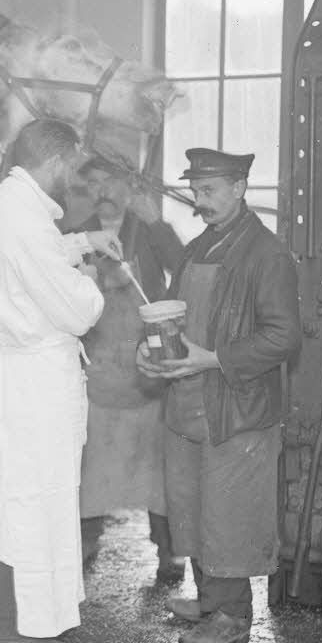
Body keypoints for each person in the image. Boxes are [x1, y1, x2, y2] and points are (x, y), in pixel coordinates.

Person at [0, 118, 124, 643]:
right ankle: (17, 632)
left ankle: (8, 622)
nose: (73, 180)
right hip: (33, 387)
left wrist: (81, 242)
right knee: (30, 505)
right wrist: (91, 280)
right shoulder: (25, 224)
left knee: (11, 504)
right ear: (54, 161)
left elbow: (32, 262)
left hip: (12, 373)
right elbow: (76, 309)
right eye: (72, 168)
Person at [136, 147, 302, 643]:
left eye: (209, 191)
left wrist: (211, 359)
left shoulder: (267, 254)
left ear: (239, 188)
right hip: (190, 400)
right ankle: (210, 598)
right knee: (194, 505)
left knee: (229, 515)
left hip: (237, 408)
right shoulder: (198, 246)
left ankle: (231, 616)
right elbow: (170, 314)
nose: (199, 201)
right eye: (196, 191)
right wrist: (149, 350)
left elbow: (283, 338)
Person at [65, 156, 186, 582]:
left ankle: (167, 550)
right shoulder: (76, 235)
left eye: (110, 182)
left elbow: (184, 268)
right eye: (94, 183)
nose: (103, 191)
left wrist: (158, 225)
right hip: (97, 366)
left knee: (155, 461)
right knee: (89, 459)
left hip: (145, 365)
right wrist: (100, 282)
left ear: (127, 186)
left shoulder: (147, 229)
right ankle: (85, 540)